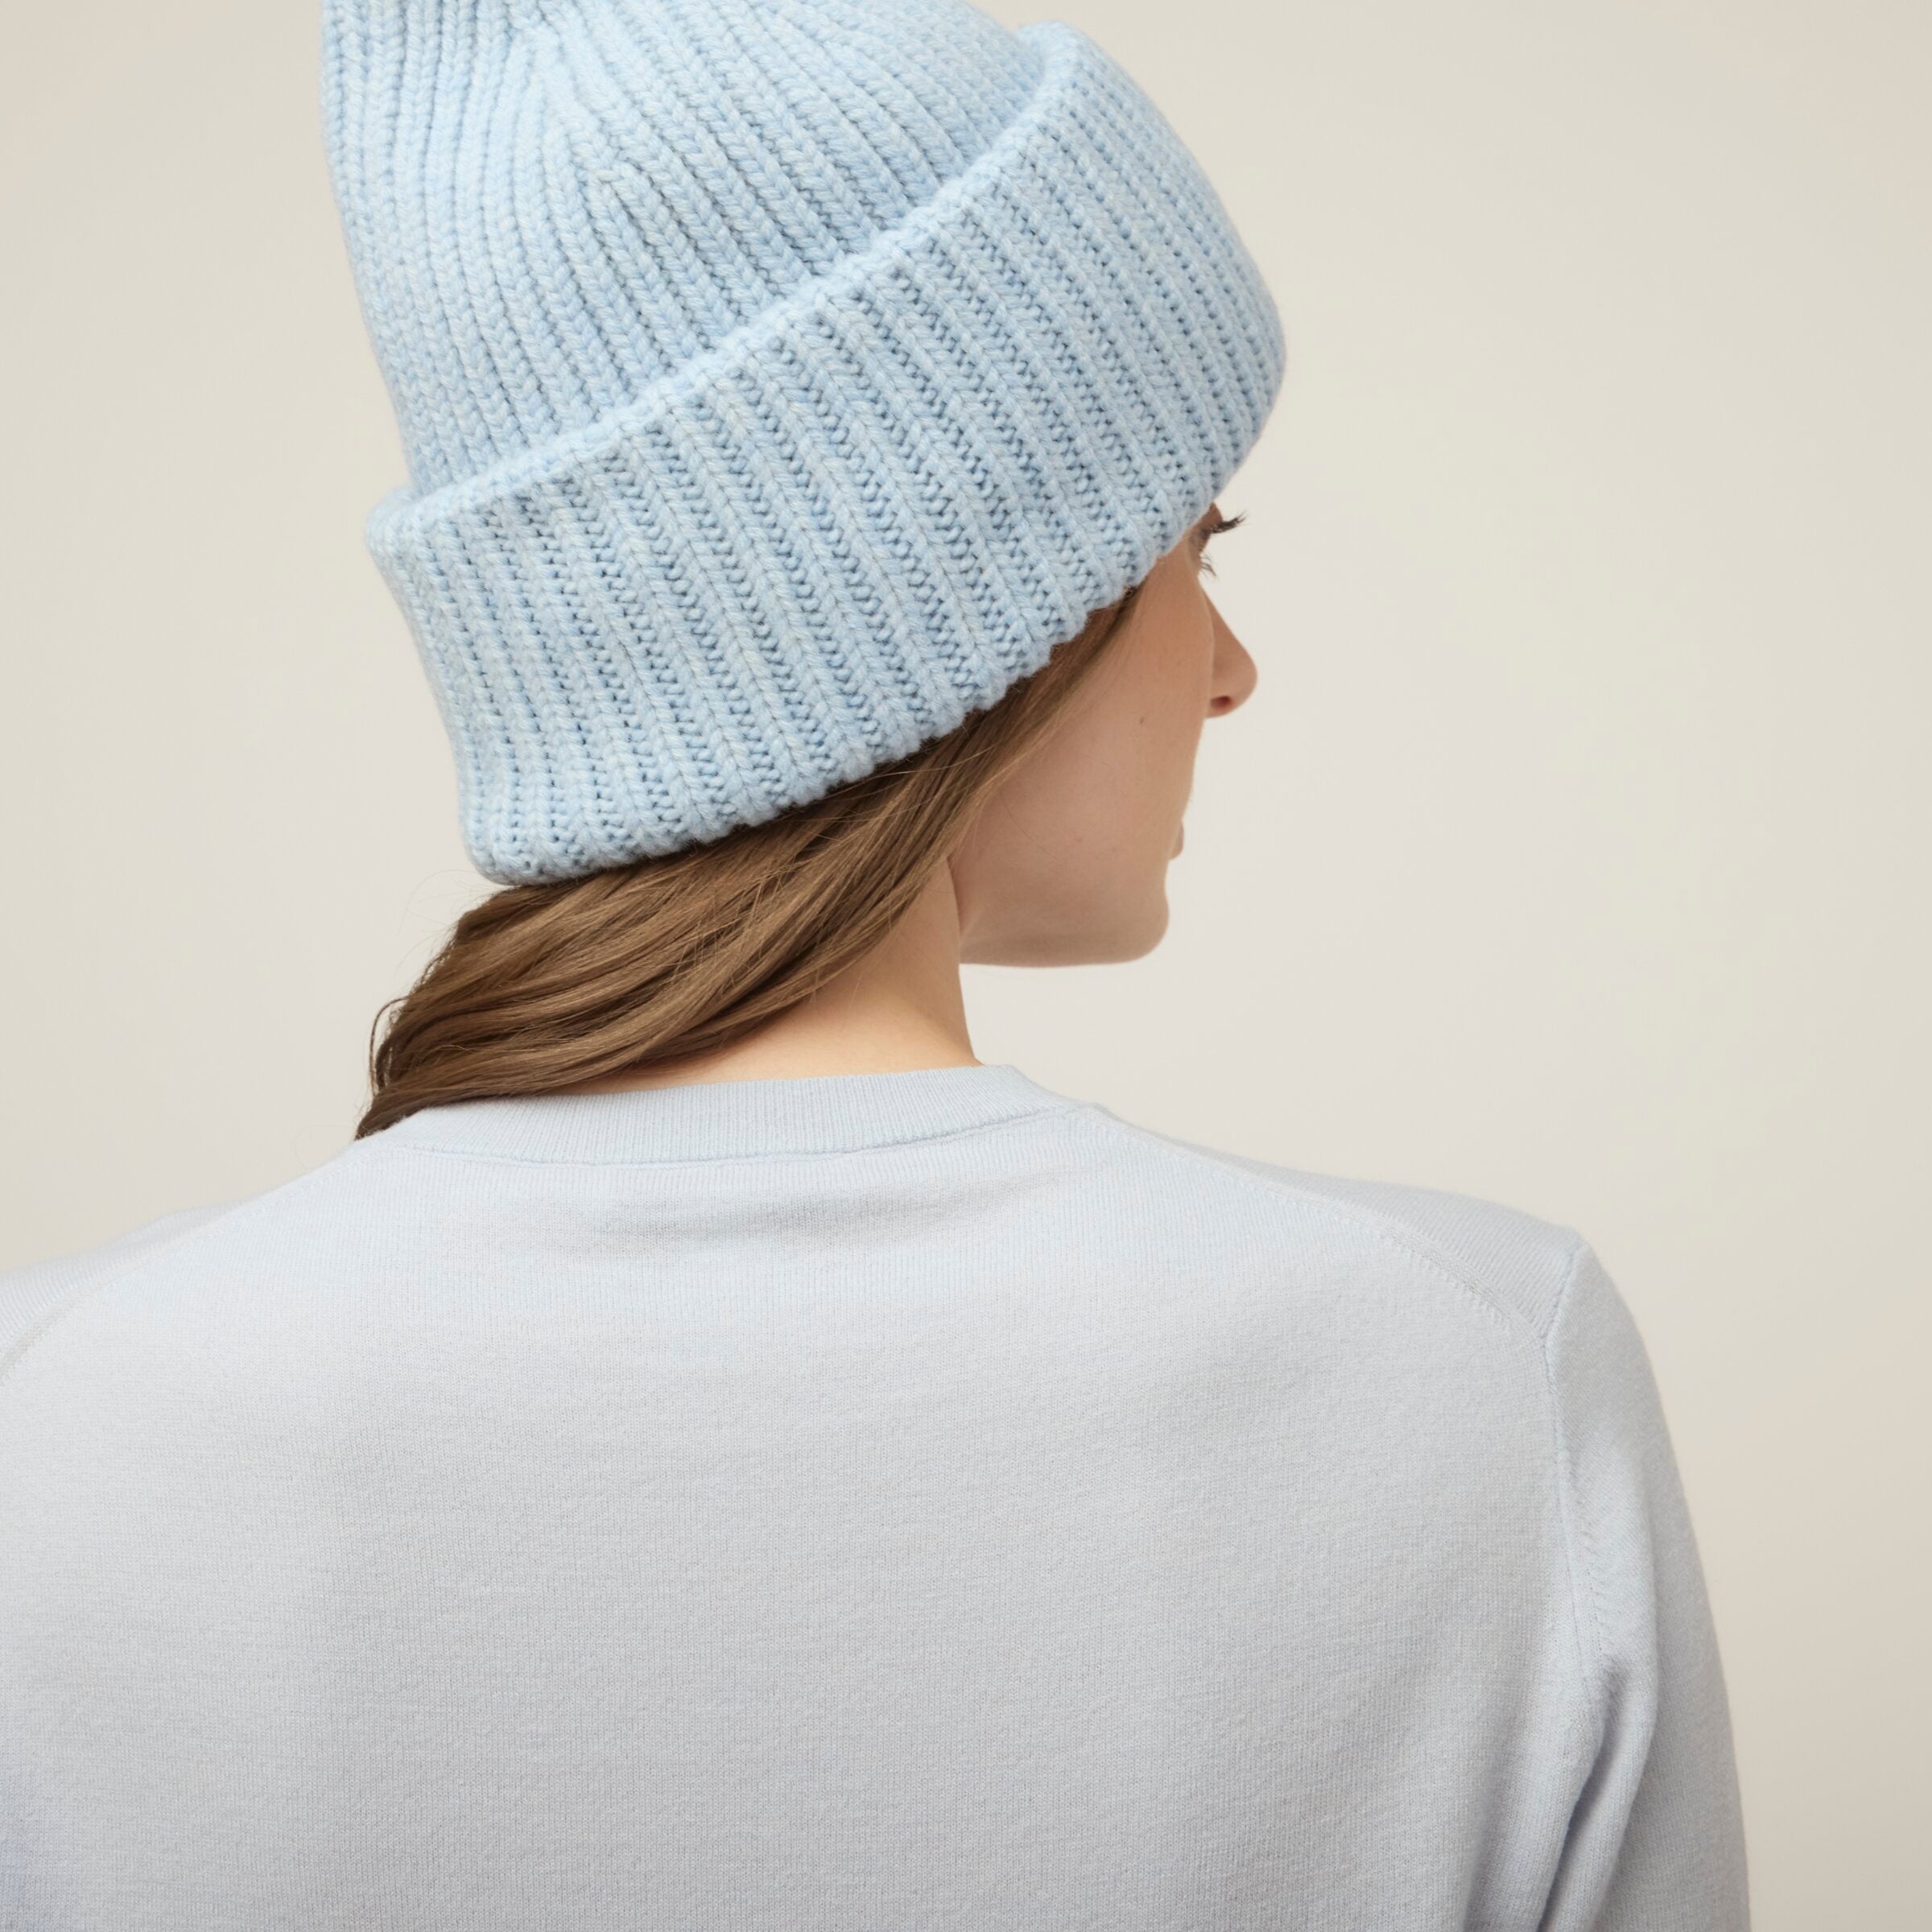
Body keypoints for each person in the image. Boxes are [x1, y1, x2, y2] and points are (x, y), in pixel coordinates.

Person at [0, 2, 1749, 1926]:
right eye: (1197, 548)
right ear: (990, 606)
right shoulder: (1474, 1372)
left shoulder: (57, 1418)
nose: (1232, 671)